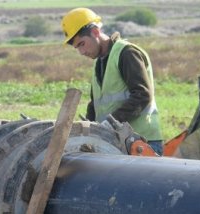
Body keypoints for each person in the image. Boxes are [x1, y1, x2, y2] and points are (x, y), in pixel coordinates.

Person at [61, 8, 164, 155]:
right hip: (117, 143)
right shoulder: (99, 63)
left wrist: (110, 124)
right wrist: (87, 130)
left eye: (82, 44)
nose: (81, 52)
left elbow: (142, 95)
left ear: (95, 32)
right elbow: (95, 105)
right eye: (77, 48)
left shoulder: (127, 53)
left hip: (142, 143)